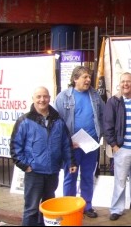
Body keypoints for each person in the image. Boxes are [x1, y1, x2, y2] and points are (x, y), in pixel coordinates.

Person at [10, 86, 77, 226]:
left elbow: (65, 143)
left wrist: (70, 162)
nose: (42, 100)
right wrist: (25, 166)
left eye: (45, 96)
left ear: (49, 98)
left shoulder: (58, 120)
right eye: (39, 97)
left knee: (48, 209)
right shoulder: (24, 121)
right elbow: (15, 147)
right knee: (31, 209)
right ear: (33, 99)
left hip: (52, 172)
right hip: (34, 173)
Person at [54, 65, 105, 218]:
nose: (88, 80)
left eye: (89, 77)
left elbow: (103, 115)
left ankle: (86, 206)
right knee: (71, 176)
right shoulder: (63, 97)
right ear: (75, 79)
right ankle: (69, 207)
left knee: (88, 176)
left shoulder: (95, 95)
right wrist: (66, 142)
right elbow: (57, 122)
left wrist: (99, 135)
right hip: (72, 146)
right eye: (85, 77)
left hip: (91, 145)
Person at [103, 72, 131, 221]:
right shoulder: (114, 101)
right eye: (123, 82)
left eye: (128, 81)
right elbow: (108, 124)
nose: (125, 84)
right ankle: (116, 208)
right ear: (120, 84)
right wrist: (114, 145)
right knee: (120, 180)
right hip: (122, 148)